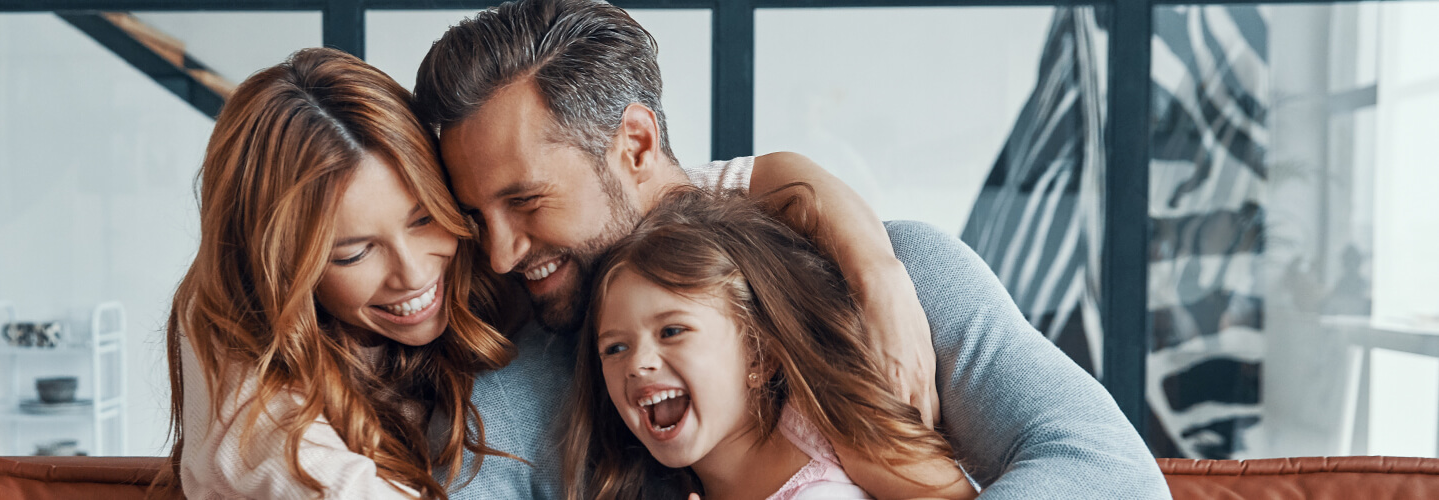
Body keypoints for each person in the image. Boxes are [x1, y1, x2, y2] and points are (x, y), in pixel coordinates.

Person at [410, 0, 1169, 498]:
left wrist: (873, 270)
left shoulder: (894, 280)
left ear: (635, 144)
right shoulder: (505, 401)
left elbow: (1109, 471)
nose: (502, 252)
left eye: (527, 201)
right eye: (477, 215)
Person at [157, 48, 521, 499]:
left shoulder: (490, 249)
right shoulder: (229, 321)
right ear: (281, 269)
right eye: (354, 253)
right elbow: (317, 480)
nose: (412, 274)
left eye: (425, 218)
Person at [568, 188, 973, 500]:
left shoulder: (831, 429)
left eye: (672, 331)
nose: (638, 364)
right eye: (614, 348)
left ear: (759, 355)